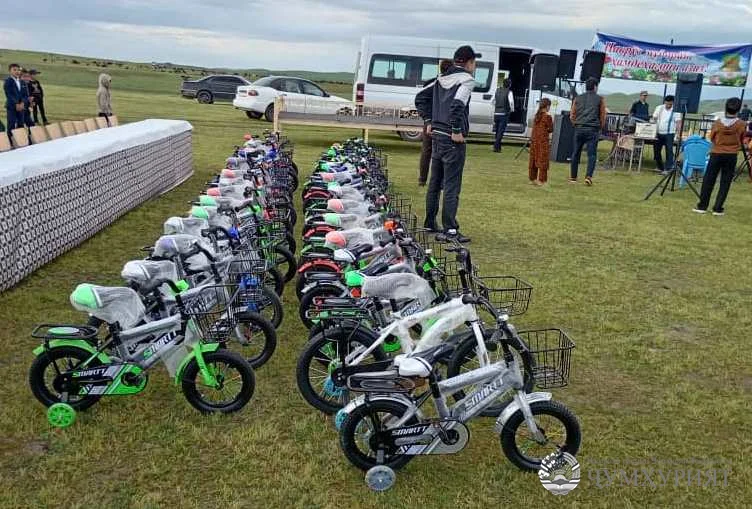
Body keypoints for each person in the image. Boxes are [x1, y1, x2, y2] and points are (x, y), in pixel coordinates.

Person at [415, 45, 480, 243]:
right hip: (452, 139)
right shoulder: (467, 80)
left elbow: (420, 98)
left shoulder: (441, 78)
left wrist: (428, 121)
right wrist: (456, 130)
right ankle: (450, 229)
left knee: (435, 182)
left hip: (437, 136)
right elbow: (458, 105)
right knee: (452, 185)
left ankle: (429, 222)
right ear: (469, 62)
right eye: (474, 62)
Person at [693, 97, 746, 216]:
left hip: (716, 152)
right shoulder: (741, 124)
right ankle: (717, 208)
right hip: (731, 154)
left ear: (725, 108)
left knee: (708, 180)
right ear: (738, 109)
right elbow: (742, 139)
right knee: (725, 182)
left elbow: (712, 137)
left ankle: (702, 206)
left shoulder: (717, 123)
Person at [418, 59, 453, 186]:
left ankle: (424, 180)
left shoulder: (433, 82)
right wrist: (428, 120)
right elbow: (420, 99)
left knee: (428, 151)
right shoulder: (441, 84)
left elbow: (421, 100)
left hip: (433, 122)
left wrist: (427, 119)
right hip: (438, 123)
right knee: (440, 152)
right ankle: (433, 181)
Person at [569, 77, 606, 186]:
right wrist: (599, 127)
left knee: (576, 153)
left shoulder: (577, 98)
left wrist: (576, 124)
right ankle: (588, 177)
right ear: (595, 87)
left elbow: (572, 114)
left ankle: (573, 177)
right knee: (592, 155)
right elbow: (603, 116)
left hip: (579, 128)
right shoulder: (600, 99)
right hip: (592, 129)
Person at [652, 95, 681, 175]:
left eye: (670, 104)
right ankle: (660, 167)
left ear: (673, 103)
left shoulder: (676, 110)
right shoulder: (659, 108)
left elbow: (678, 122)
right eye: (667, 104)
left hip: (669, 134)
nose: (668, 105)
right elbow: (654, 118)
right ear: (665, 102)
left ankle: (668, 168)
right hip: (658, 133)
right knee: (656, 150)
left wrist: (678, 133)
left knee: (669, 151)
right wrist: (653, 129)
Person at [528, 98, 553, 186]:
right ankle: (542, 180)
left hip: (534, 140)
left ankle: (532, 179)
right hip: (543, 141)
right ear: (547, 106)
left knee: (533, 159)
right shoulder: (547, 117)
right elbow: (551, 129)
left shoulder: (536, 116)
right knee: (543, 160)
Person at [4, 63, 29, 131]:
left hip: (21, 106)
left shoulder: (22, 82)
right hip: (12, 106)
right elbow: (9, 95)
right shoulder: (8, 81)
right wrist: (16, 104)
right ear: (10, 71)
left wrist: (23, 103)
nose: (17, 71)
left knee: (21, 124)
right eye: (14, 70)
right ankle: (10, 137)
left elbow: (26, 95)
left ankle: (19, 137)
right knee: (11, 124)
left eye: (18, 70)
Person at [492, 78, 514, 152]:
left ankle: (498, 147)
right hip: (504, 114)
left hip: (496, 113)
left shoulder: (497, 90)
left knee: (497, 131)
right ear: (509, 84)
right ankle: (496, 147)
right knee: (501, 131)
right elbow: (511, 102)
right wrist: (512, 110)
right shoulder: (509, 92)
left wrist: (496, 107)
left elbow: (493, 101)